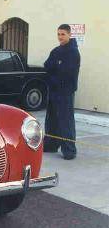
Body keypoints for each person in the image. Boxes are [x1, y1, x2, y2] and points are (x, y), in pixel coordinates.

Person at [43, 24, 81, 160]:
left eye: (63, 34)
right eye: (58, 34)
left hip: (65, 92)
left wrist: (55, 71)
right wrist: (54, 71)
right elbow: (47, 66)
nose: (60, 37)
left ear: (70, 35)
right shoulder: (56, 51)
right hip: (54, 91)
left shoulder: (73, 53)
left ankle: (69, 150)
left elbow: (66, 73)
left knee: (66, 121)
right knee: (52, 119)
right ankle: (51, 145)